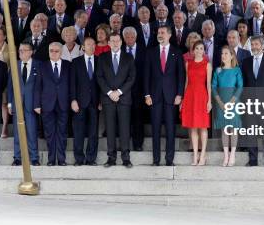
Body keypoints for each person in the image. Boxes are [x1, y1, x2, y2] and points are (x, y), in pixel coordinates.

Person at [144, 26, 185, 166]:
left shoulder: (176, 52)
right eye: (158, 32)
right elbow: (146, 76)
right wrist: (147, 94)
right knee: (155, 129)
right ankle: (156, 160)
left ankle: (169, 159)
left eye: (162, 32)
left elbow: (181, 75)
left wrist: (180, 94)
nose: (160, 34)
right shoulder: (150, 53)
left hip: (171, 97)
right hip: (154, 97)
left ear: (169, 35)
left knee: (170, 129)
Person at [96, 33, 136, 168]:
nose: (115, 43)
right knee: (110, 129)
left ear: (121, 42)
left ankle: (126, 158)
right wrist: (109, 93)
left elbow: (131, 78)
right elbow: (99, 77)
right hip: (108, 99)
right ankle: (111, 158)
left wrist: (118, 92)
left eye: (117, 41)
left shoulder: (129, 57)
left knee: (125, 129)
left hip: (123, 98)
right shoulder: (102, 58)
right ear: (108, 43)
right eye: (112, 41)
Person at [241, 36, 264, 167]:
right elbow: (243, 84)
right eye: (253, 44)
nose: (254, 47)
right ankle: (252, 160)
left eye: (257, 44)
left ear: (262, 46)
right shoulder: (245, 62)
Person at [34, 42, 71, 166]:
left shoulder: (68, 65)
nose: (53, 53)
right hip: (47, 104)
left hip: (63, 103)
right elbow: (37, 86)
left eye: (56, 51)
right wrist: (37, 104)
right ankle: (51, 159)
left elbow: (71, 86)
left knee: (62, 132)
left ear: (61, 52)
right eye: (51, 51)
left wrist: (72, 101)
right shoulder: (42, 66)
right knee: (49, 133)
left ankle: (61, 159)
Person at [8, 42, 41, 166]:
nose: (21, 52)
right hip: (17, 104)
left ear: (31, 52)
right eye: (20, 50)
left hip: (32, 104)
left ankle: (34, 158)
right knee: (17, 132)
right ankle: (17, 157)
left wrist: (39, 103)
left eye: (24, 50)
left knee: (32, 131)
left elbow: (40, 86)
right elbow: (10, 85)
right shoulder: (15, 65)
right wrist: (10, 104)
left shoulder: (38, 65)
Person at [180, 41, 212, 166]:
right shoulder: (188, 63)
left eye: (201, 48)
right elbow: (186, 82)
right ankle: (195, 155)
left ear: (204, 50)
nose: (199, 50)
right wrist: (183, 99)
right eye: (197, 48)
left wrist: (209, 101)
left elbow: (208, 85)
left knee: (203, 127)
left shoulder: (207, 65)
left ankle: (203, 155)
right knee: (193, 127)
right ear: (193, 51)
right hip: (190, 96)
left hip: (202, 96)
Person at [211, 46, 244, 167]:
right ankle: (226, 155)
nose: (223, 55)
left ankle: (233, 154)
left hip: (234, 103)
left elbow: (240, 86)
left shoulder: (237, 70)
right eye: (222, 53)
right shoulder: (218, 70)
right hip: (221, 102)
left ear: (231, 56)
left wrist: (232, 102)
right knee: (224, 130)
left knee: (233, 129)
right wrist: (220, 102)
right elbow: (213, 87)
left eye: (226, 53)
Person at [70, 37, 100, 166]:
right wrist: (73, 100)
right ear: (83, 47)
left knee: (93, 133)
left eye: (94, 44)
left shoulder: (100, 61)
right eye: (89, 44)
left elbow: (102, 83)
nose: (92, 47)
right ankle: (79, 159)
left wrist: (101, 101)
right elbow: (72, 84)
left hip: (95, 102)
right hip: (80, 102)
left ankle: (91, 159)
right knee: (79, 132)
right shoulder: (76, 62)